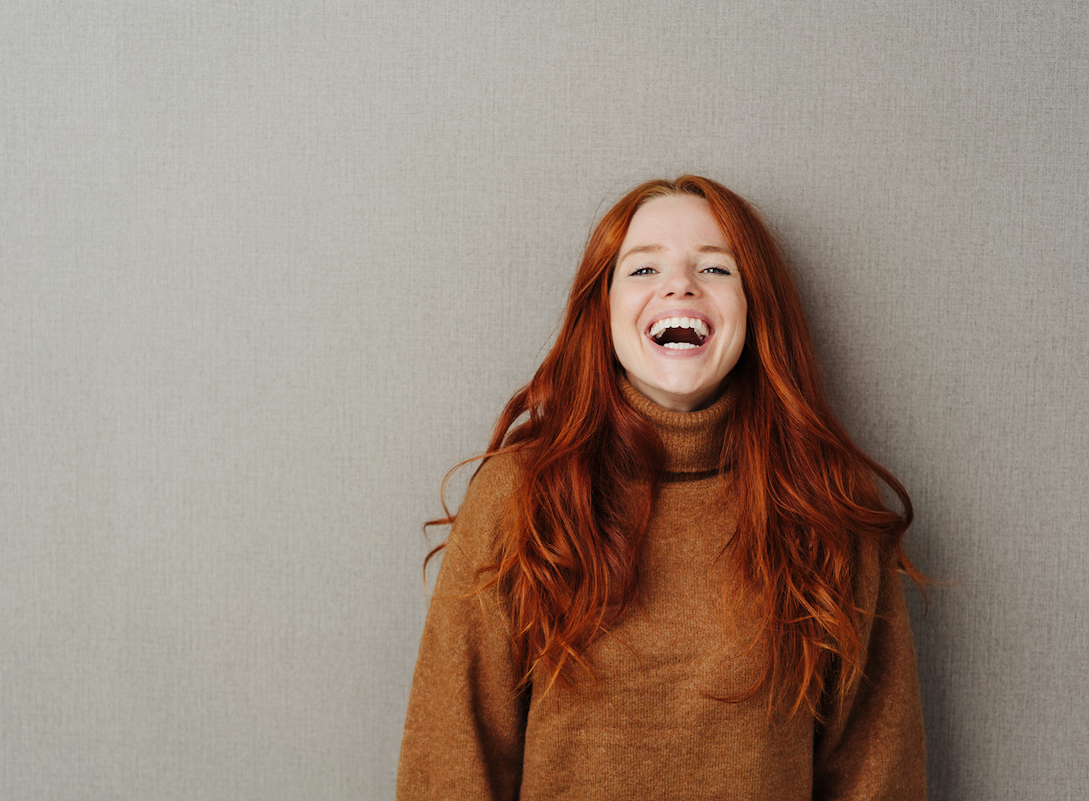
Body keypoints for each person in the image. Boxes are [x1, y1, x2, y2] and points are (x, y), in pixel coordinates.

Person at [397, 176, 927, 800]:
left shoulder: (828, 505)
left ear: (757, 308)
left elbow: (878, 774)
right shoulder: (521, 494)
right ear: (604, 310)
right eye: (644, 268)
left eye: (716, 268)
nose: (680, 285)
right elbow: (451, 759)